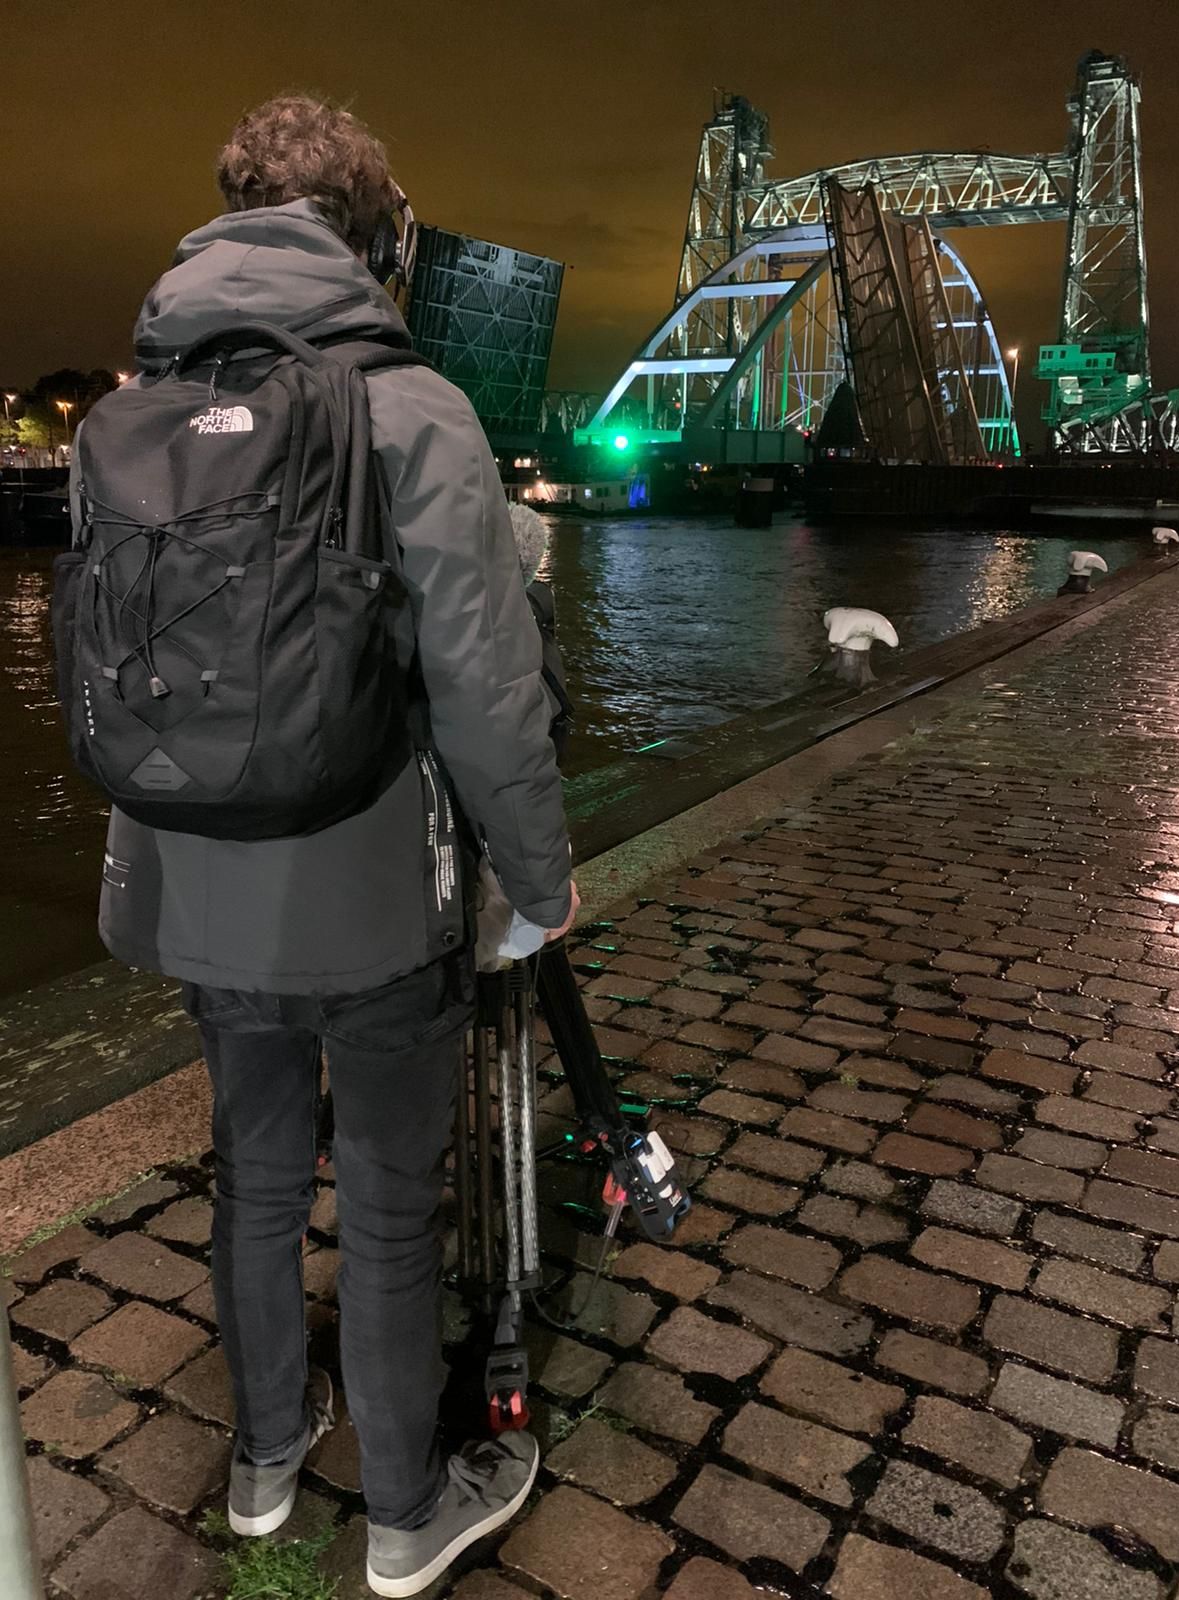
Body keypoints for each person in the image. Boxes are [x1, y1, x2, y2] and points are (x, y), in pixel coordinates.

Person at [81, 96, 578, 1597]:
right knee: (381, 1196)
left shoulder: (143, 400)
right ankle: (413, 1514)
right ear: (380, 235)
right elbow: (488, 693)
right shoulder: (412, 407)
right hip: (368, 887)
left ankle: (261, 1466)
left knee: (249, 1173)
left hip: (191, 878)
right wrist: (539, 884)